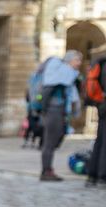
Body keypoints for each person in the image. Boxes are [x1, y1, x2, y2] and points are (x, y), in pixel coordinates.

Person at [39, 50, 82, 181]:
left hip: (59, 111)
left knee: (55, 140)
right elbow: (47, 90)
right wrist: (45, 111)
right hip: (54, 110)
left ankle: (47, 170)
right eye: (77, 60)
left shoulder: (68, 74)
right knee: (49, 142)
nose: (79, 63)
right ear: (69, 60)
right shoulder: (61, 73)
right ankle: (46, 171)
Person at [86, 45, 106, 186]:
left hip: (101, 105)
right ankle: (102, 175)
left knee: (100, 140)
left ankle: (93, 174)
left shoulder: (101, 62)